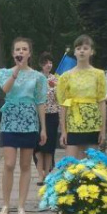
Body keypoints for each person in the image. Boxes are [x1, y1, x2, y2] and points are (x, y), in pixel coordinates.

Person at [0, 37, 47, 214]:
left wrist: (43, 128)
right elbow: (5, 89)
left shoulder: (38, 77)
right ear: (13, 53)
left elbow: (40, 102)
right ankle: (5, 204)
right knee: (9, 163)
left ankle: (21, 206)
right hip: (10, 120)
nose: (20, 52)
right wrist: (16, 70)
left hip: (29, 122)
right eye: (17, 49)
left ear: (29, 53)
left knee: (25, 165)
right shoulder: (4, 72)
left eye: (24, 49)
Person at [56, 35, 107, 159]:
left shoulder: (99, 74)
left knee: (90, 165)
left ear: (92, 51)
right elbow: (63, 105)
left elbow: (101, 102)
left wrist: (103, 130)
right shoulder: (66, 76)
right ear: (74, 52)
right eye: (79, 48)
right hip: (73, 122)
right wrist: (63, 131)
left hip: (93, 123)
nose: (82, 51)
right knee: (71, 164)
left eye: (85, 48)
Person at [34, 52, 59, 185]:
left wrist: (55, 88)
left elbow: (59, 100)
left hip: (52, 115)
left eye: (50, 62)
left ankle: (48, 173)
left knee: (49, 146)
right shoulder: (35, 78)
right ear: (41, 65)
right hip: (37, 115)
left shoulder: (55, 79)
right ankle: (39, 174)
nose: (48, 65)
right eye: (45, 63)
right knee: (37, 146)